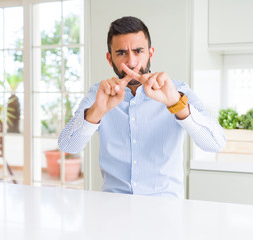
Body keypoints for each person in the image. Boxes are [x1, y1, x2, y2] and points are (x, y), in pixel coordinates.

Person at [58, 16, 225, 198]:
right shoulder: (99, 94)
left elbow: (216, 144)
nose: (131, 62)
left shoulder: (177, 91)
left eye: (138, 51)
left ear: (150, 53)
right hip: (113, 208)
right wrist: (97, 112)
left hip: (165, 209)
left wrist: (176, 104)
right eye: (121, 53)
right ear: (109, 58)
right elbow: (68, 146)